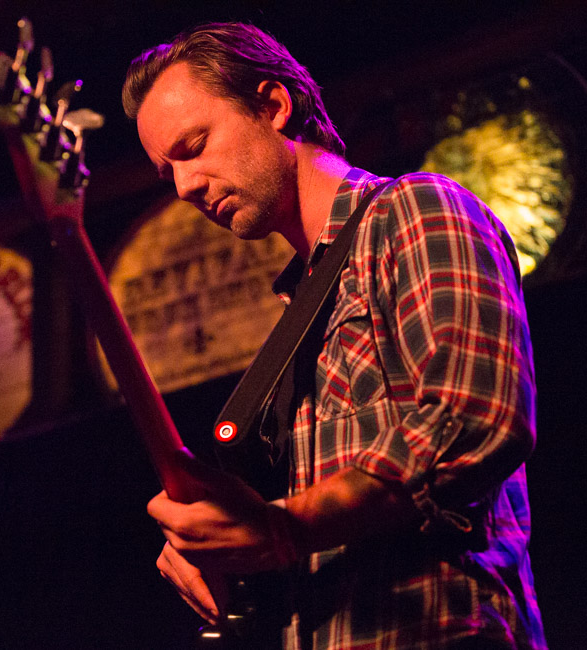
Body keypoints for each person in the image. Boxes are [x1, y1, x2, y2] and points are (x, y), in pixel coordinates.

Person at [122, 23, 547, 649]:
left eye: (194, 146)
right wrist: (223, 552)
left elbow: (474, 418)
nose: (185, 186)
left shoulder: (416, 209)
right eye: (169, 173)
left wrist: (285, 528)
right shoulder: (300, 317)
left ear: (274, 106)